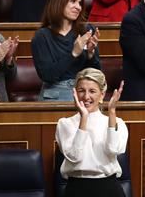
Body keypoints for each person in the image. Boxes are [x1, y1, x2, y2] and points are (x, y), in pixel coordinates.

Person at [55, 67, 128, 197]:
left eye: (92, 91)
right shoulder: (64, 124)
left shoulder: (118, 122)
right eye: (81, 91)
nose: (86, 96)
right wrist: (84, 118)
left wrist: (111, 112)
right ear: (75, 93)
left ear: (102, 95)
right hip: (76, 189)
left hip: (108, 189)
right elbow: (74, 156)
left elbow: (113, 150)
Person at [32, 0, 100, 101]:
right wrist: (73, 53)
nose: (78, 7)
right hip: (55, 92)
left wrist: (90, 55)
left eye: (79, 3)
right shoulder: (42, 36)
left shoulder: (87, 30)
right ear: (59, 3)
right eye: (73, 1)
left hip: (84, 91)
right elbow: (47, 75)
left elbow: (97, 73)